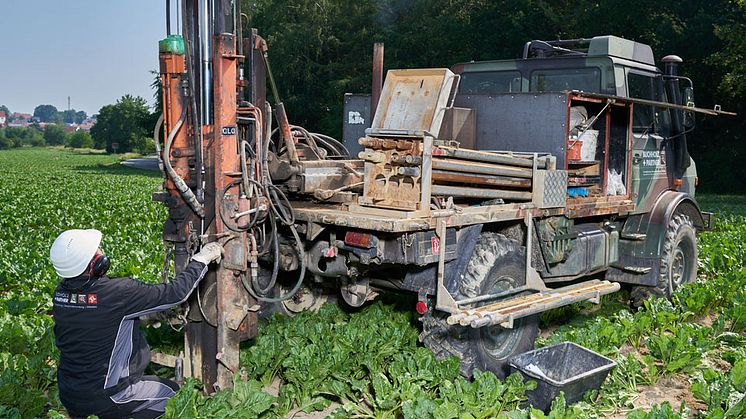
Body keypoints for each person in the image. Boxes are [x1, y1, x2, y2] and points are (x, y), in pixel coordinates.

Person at [49, 229, 223, 419]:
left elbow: (94, 317)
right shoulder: (119, 292)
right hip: (107, 397)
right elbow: (175, 293)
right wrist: (201, 259)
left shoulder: (60, 294)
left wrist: (143, 317)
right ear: (95, 264)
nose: (101, 250)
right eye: (97, 250)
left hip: (70, 394)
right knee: (177, 396)